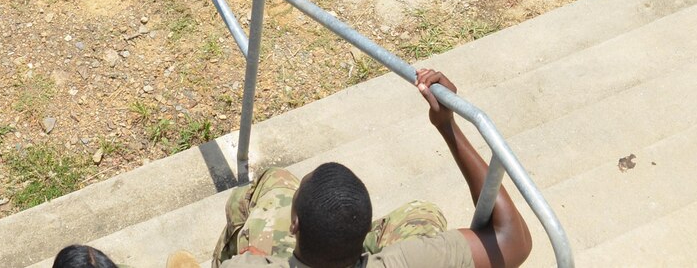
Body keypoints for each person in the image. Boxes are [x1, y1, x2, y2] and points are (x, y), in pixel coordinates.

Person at [193, 68, 534, 268]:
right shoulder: (404, 262)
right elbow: (513, 240)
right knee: (423, 213)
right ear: (366, 237)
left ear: (294, 225)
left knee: (274, 181)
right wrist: (447, 125)